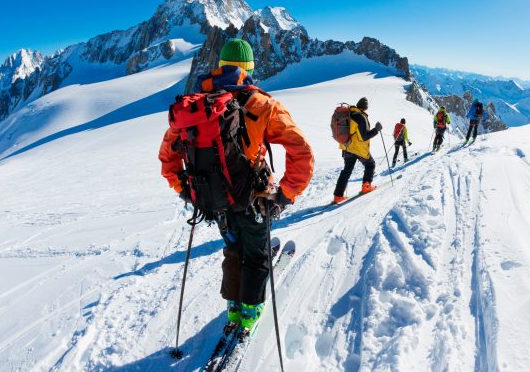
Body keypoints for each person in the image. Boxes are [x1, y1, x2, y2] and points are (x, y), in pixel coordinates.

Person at [159, 39, 314, 334]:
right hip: (255, 199)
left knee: (233, 249)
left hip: (215, 200)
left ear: (220, 67)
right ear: (250, 68)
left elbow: (168, 158)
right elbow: (302, 152)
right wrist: (284, 195)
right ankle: (250, 312)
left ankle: (233, 307)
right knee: (256, 254)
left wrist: (187, 191)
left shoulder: (195, 108)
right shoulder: (261, 104)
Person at [333, 97, 382, 203]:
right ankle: (366, 186)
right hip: (357, 149)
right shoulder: (360, 117)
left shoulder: (350, 113)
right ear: (365, 107)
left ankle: (338, 196)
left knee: (346, 170)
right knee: (370, 164)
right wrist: (376, 129)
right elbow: (364, 137)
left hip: (346, 147)